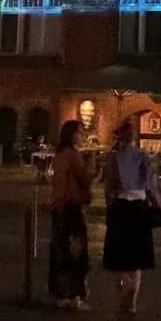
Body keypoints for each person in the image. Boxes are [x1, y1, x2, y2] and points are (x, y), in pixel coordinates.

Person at [103, 119, 161, 314]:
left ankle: (124, 283)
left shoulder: (114, 158)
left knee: (119, 253)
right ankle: (133, 301)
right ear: (135, 137)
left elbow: (109, 187)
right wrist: (157, 205)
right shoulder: (143, 156)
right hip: (139, 206)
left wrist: (109, 207)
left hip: (121, 206)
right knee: (138, 256)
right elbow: (151, 185)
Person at [48, 120, 92, 310]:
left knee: (60, 249)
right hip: (71, 207)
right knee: (76, 251)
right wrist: (91, 162)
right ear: (71, 134)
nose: (82, 136)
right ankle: (75, 295)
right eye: (80, 132)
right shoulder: (73, 155)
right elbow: (85, 178)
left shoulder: (59, 155)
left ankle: (60, 293)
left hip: (59, 206)